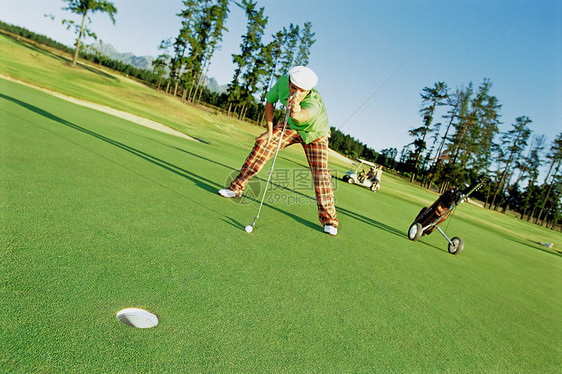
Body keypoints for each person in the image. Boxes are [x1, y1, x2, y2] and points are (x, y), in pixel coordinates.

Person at [218, 66, 339, 236]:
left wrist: (296, 111)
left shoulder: (314, 101)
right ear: (289, 82)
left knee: (320, 174)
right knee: (263, 145)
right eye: (293, 87)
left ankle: (329, 220)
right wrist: (269, 131)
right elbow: (269, 102)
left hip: (315, 132)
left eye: (301, 91)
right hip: (290, 125)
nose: (295, 93)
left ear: (309, 91)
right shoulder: (282, 82)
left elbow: (303, 116)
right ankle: (236, 188)